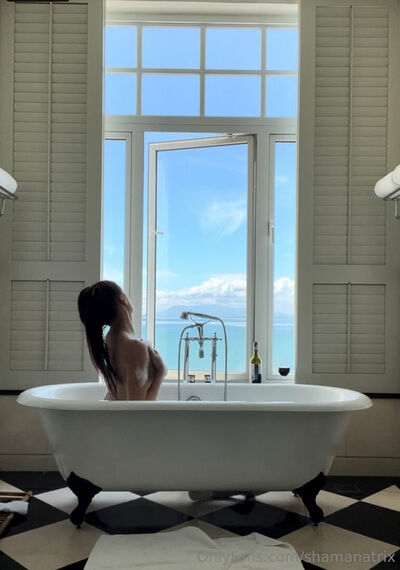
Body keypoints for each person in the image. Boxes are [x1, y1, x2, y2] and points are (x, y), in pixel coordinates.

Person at [78, 280, 167, 400]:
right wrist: (160, 374)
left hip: (112, 411)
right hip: (120, 413)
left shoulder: (111, 338)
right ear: (122, 299)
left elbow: (120, 393)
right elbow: (136, 408)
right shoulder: (133, 346)